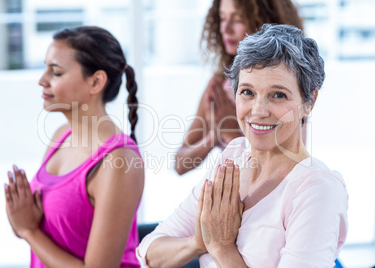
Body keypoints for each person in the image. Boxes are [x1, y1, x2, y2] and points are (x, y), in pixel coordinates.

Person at [137, 24, 348, 268]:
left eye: (278, 95)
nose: (258, 110)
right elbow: (149, 252)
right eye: (247, 92)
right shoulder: (234, 157)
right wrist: (197, 241)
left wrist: (222, 247)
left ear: (309, 101)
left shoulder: (317, 189)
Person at [4, 26, 144, 268]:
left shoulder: (119, 161)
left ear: (96, 81)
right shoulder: (61, 136)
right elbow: (49, 232)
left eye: (56, 73)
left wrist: (28, 231)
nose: (42, 80)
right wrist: (23, 219)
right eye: (45, 68)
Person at [175, 0, 304, 175]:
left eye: (238, 19)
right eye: (222, 18)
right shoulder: (220, 84)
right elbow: (180, 164)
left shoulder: (288, 87)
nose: (225, 28)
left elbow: (289, 168)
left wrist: (230, 133)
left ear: (265, 22)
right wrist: (215, 134)